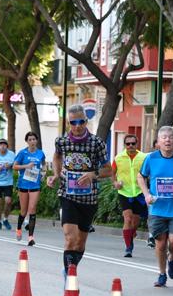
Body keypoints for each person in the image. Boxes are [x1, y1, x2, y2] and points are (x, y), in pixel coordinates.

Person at [47, 104, 111, 273]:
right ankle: (69, 274)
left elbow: (108, 169)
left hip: (89, 198)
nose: (77, 126)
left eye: (81, 122)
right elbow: (57, 156)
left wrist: (93, 174)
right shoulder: (61, 141)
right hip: (67, 194)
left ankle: (72, 266)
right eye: (73, 122)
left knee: (80, 243)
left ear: (86, 121)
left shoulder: (97, 143)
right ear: (68, 123)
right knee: (70, 238)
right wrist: (56, 174)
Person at [139, 125, 173, 287]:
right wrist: (146, 194)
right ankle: (161, 274)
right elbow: (141, 177)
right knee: (160, 243)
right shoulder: (151, 158)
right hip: (157, 209)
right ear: (158, 142)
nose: (167, 140)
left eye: (170, 137)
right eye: (164, 137)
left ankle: (172, 257)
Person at [112, 134, 148, 257]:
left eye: (133, 143)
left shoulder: (143, 157)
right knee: (127, 218)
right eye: (128, 144)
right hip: (124, 192)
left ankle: (131, 233)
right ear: (125, 145)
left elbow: (150, 172)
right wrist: (115, 183)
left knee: (135, 221)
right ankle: (128, 247)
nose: (130, 146)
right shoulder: (118, 158)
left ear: (137, 144)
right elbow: (112, 173)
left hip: (139, 192)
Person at [13, 131, 47, 245]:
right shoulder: (22, 153)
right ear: (27, 141)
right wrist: (26, 166)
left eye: (34, 139)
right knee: (23, 211)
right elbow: (15, 166)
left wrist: (44, 172)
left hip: (35, 185)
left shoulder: (40, 153)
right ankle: (18, 229)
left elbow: (44, 164)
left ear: (36, 140)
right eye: (30, 140)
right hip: (23, 184)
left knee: (32, 209)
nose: (32, 141)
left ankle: (30, 237)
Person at [0, 138, 16, 230]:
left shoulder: (12, 154)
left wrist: (10, 166)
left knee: (8, 201)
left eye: (4, 144)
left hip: (8, 182)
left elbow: (16, 165)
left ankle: (5, 219)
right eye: (0, 145)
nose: (3, 146)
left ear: (7, 146)